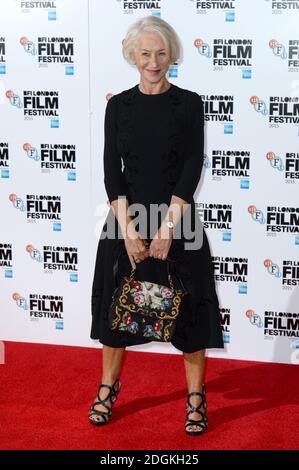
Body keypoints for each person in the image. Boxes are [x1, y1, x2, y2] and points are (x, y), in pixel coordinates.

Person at [89, 15, 224, 436]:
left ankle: (196, 398)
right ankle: (107, 388)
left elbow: (191, 165)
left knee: (190, 313)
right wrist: (129, 229)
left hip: (176, 220)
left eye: (161, 53)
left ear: (172, 56)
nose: (154, 61)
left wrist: (166, 229)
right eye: (146, 53)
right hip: (126, 220)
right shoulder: (119, 106)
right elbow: (112, 170)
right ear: (133, 56)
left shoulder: (189, 103)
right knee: (116, 312)